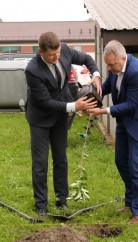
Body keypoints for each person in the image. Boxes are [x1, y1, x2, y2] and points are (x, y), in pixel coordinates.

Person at [87, 40, 138, 224]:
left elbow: (131, 105)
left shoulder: (137, 72)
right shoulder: (115, 68)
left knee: (136, 165)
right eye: (106, 64)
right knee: (121, 160)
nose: (108, 68)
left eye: (112, 64)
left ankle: (137, 211)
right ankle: (129, 202)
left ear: (123, 58)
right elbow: (107, 87)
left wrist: (103, 111)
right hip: (125, 119)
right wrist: (93, 91)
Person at [25, 31, 101, 216]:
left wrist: (96, 75)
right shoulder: (32, 70)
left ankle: (62, 200)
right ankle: (41, 205)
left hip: (61, 116)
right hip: (41, 119)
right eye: (52, 55)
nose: (56, 57)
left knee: (61, 159)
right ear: (41, 51)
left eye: (58, 53)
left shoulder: (65, 50)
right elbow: (44, 102)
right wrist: (75, 106)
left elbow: (87, 59)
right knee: (40, 163)